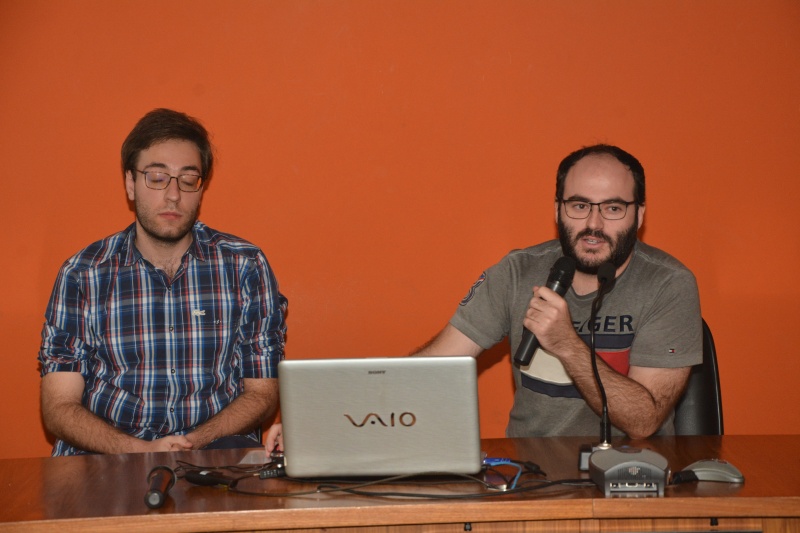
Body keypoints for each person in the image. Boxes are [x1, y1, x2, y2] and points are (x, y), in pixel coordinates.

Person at [38, 108, 288, 456]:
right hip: (107, 454)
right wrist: (142, 450)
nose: (173, 195)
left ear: (202, 188)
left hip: (213, 450)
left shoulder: (245, 266)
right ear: (130, 183)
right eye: (157, 177)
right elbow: (59, 408)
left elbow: (262, 393)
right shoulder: (83, 273)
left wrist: (191, 443)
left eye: (188, 180)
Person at [414, 144, 702, 439]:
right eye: (579, 206)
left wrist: (566, 344)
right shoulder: (517, 272)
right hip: (528, 474)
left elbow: (643, 421)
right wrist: (376, 401)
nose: (593, 224)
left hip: (627, 475)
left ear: (639, 215)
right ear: (557, 210)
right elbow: (434, 368)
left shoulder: (669, 284)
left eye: (613, 208)